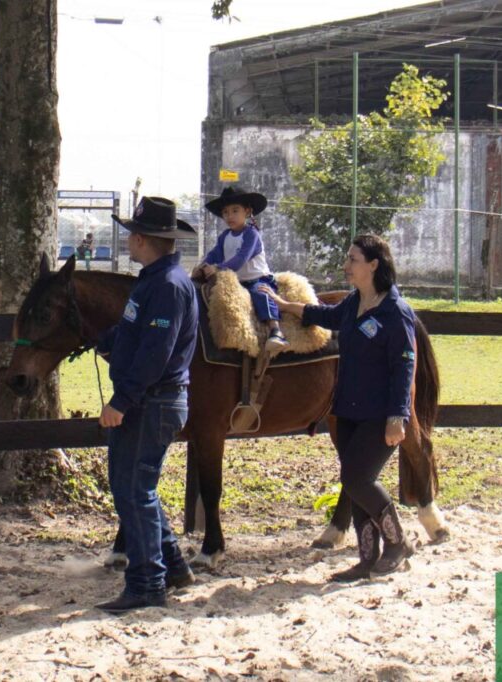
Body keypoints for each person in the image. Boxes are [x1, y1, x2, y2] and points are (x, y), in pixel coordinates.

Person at [260, 234, 417, 582]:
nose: (346, 266)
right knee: (358, 483)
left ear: (373, 265)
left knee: (356, 478)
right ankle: (366, 557)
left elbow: (405, 365)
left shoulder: (395, 312)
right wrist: (284, 306)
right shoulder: (354, 303)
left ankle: (398, 542)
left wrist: (398, 416)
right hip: (346, 410)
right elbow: (324, 315)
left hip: (379, 413)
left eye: (353, 260)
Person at [95, 196, 199, 614]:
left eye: (130, 238)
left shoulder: (168, 286)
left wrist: (121, 399)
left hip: (152, 403)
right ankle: (171, 566)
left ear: (141, 239)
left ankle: (146, 584)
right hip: (152, 402)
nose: (127, 244)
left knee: (133, 490)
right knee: (137, 488)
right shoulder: (156, 281)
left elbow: (156, 352)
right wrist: (106, 342)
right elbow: (134, 331)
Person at [193, 186, 289, 353]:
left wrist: (218, 268)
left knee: (261, 294)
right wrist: (202, 266)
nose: (229, 216)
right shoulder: (224, 236)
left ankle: (275, 330)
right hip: (237, 282)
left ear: (247, 211)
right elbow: (214, 254)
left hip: (258, 278)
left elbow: (240, 259)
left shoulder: (251, 235)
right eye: (225, 212)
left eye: (235, 211)